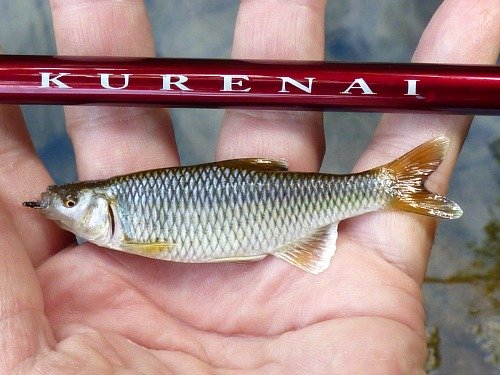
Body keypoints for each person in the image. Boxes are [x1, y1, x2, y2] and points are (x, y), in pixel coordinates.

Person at [1, 0, 498, 373]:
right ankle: (387, 187)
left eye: (71, 203)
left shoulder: (130, 230)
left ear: (101, 205)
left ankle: (387, 187)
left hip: (282, 210)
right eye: (68, 203)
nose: (63, 208)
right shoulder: (124, 223)